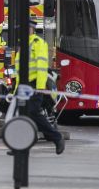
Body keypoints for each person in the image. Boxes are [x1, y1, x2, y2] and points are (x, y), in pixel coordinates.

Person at [14, 21, 64, 155]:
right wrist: (16, 90)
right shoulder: (23, 45)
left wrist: (40, 87)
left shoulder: (38, 43)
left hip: (34, 85)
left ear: (31, 29)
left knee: (33, 113)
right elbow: (20, 71)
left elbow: (42, 68)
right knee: (20, 115)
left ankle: (57, 138)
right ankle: (20, 146)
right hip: (24, 86)